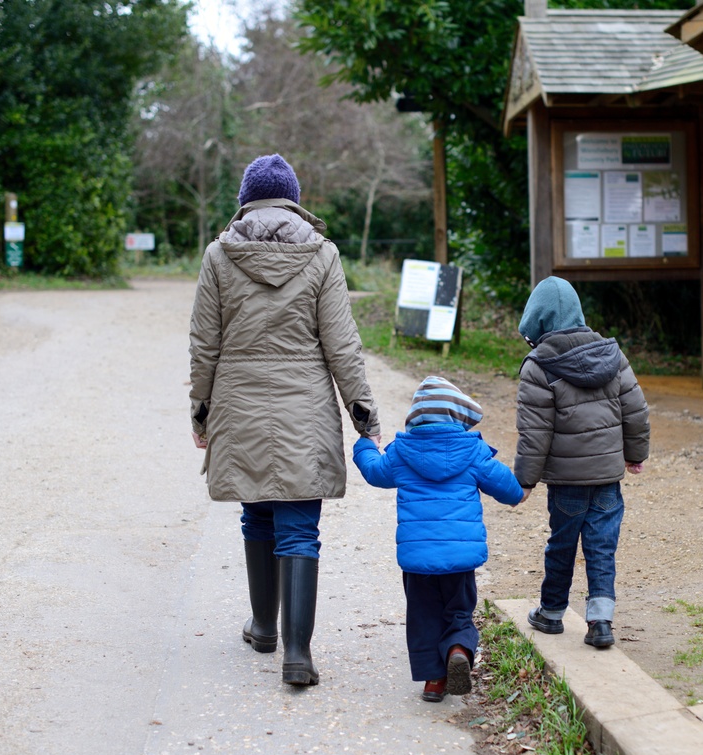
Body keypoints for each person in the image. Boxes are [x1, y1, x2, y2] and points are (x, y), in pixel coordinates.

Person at [189, 153, 381, 687]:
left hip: (240, 405)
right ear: (293, 200)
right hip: (305, 407)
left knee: (256, 513)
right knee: (299, 528)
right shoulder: (323, 254)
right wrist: (364, 414)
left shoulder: (218, 255)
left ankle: (263, 627)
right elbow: (342, 345)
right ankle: (297, 654)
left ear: (245, 202)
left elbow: (204, 345)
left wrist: (201, 413)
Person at [352, 376, 523, 702]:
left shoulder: (401, 452)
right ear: (457, 416)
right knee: (459, 610)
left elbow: (373, 472)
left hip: (418, 561)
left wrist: (365, 444)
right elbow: (508, 488)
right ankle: (458, 649)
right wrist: (519, 492)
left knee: (423, 615)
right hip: (460, 559)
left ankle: (434, 681)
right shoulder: (473, 451)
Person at [514, 276, 649, 649]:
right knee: (601, 546)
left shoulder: (539, 366)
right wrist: (635, 454)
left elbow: (534, 433)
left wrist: (524, 481)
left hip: (567, 483)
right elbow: (636, 410)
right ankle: (601, 621)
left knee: (562, 544)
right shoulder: (611, 355)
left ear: (536, 320)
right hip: (607, 478)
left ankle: (551, 612)